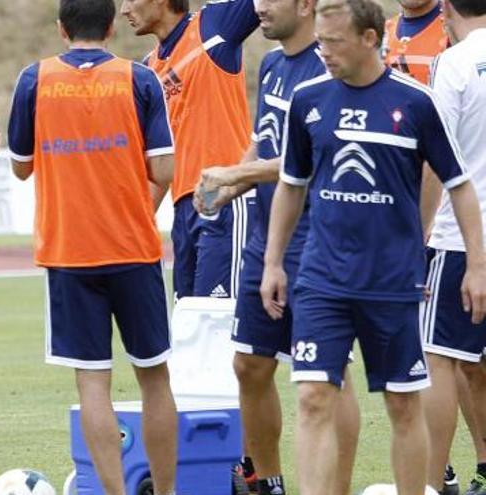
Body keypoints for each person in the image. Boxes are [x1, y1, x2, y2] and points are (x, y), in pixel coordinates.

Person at [261, 0, 486, 494]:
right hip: (322, 281)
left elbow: (459, 185)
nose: (323, 52)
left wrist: (476, 266)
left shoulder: (416, 104)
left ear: (368, 39)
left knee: (403, 403)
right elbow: (291, 185)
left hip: (392, 283)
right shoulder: (308, 99)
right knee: (315, 396)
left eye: (334, 42)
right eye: (320, 41)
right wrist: (273, 262)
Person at [9, 1, 176, 493]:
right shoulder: (139, 79)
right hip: (133, 248)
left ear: (62, 29)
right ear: (109, 27)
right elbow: (164, 170)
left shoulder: (33, 80)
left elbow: (20, 166)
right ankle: (165, 491)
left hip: (69, 252)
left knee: (93, 382)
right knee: (155, 379)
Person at [193, 0, 360, 493]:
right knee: (250, 364)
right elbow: (264, 143)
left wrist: (239, 173)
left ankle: (337, 486)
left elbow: (315, 157)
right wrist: (232, 185)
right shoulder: (270, 65)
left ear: (306, 5)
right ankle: (266, 483)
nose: (257, 7)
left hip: (317, 242)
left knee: (327, 378)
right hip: (265, 241)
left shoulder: (329, 64)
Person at [119, 0, 258, 303]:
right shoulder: (146, 69)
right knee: (189, 324)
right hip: (183, 209)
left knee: (218, 323)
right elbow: (155, 166)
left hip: (224, 199)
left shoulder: (213, 24)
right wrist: (129, 231)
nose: (123, 10)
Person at [421, 1, 486, 494]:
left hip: (460, 237)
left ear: (446, 9)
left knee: (437, 358)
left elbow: (434, 157)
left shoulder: (454, 61)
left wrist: (418, 234)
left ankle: (429, 481)